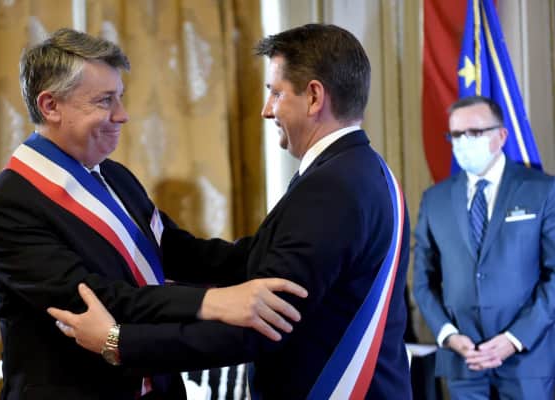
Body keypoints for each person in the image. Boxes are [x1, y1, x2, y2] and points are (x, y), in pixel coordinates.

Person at [49, 23, 413, 399]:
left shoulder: (329, 188)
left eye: (276, 93)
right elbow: (255, 258)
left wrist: (118, 341)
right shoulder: (368, 171)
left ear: (314, 97)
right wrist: (161, 242)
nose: (267, 110)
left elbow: (262, 323)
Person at [0, 28, 307, 400]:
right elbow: (95, 299)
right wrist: (213, 302)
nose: (122, 115)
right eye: (105, 101)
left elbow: (177, 251)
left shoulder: (115, 176)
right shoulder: (10, 203)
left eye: (120, 97)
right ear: (51, 106)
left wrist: (279, 252)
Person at [413, 95, 555, 399]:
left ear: (501, 136)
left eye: (475, 133)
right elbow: (423, 281)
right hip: (463, 361)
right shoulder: (435, 200)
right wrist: (448, 334)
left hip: (527, 360)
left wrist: (514, 338)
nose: (464, 142)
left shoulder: (542, 190)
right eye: (456, 134)